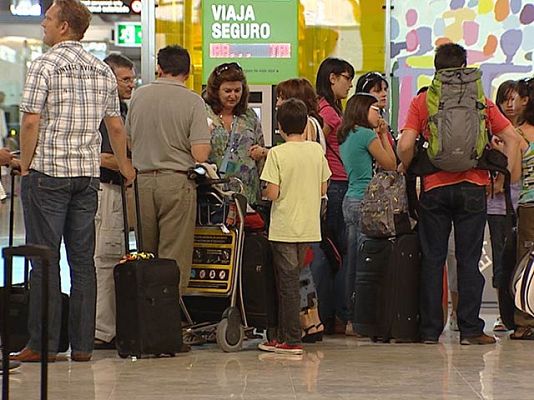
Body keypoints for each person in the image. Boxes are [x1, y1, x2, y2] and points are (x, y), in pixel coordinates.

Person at [10, 0, 135, 363]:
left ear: (64, 26)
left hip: (47, 174)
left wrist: (26, 165)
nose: (43, 26)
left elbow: (31, 122)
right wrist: (125, 166)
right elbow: (115, 125)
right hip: (86, 177)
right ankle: (82, 346)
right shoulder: (101, 70)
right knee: (82, 261)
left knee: (44, 261)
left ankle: (44, 344)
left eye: (48, 19)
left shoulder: (44, 64)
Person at [397, 43, 520, 345]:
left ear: (436, 67)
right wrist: (509, 179)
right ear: (465, 66)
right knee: (468, 259)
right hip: (472, 187)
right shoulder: (480, 99)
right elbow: (512, 139)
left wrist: (408, 165)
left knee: (432, 259)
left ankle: (429, 331)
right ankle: (470, 330)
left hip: (435, 189)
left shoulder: (423, 100)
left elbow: (404, 144)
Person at [126, 45, 211, 296]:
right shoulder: (193, 101)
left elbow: (129, 142)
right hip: (175, 184)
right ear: (188, 71)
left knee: (146, 254)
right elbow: (200, 154)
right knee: (173, 257)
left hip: (142, 183)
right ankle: (168, 319)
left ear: (159, 68)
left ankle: (146, 316)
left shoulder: (139, 96)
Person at [258, 98, 331, 355]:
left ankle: (289, 338)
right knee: (296, 279)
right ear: (305, 123)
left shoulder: (277, 153)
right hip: (309, 227)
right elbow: (323, 188)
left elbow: (273, 193)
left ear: (279, 126)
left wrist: (265, 191)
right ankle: (290, 334)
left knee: (286, 284)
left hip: (284, 227)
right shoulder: (315, 152)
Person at [338, 93, 397, 334]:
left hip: (350, 199)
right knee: (366, 262)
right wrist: (383, 134)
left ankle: (348, 316)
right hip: (367, 202)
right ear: (363, 110)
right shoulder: (366, 134)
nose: (379, 114)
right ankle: (361, 316)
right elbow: (391, 163)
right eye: (376, 110)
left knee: (352, 260)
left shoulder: (347, 135)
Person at [275, 78, 326, 342]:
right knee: (303, 268)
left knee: (296, 273)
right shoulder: (316, 147)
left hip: (292, 215)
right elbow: (322, 181)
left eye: (281, 97)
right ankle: (310, 321)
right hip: (310, 213)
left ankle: (302, 325)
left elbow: (277, 187)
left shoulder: (302, 137)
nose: (278, 102)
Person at [93, 54, 136, 350]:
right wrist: (129, 165)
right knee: (105, 262)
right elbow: (102, 157)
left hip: (111, 193)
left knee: (109, 260)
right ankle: (102, 331)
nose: (131, 85)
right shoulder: (102, 113)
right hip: (105, 192)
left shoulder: (120, 109)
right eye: (126, 79)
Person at [315, 57, 355, 335]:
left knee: (333, 255)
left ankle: (329, 314)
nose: (349, 84)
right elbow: (317, 146)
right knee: (344, 254)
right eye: (346, 77)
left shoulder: (327, 109)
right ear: (332, 78)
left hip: (334, 185)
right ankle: (339, 314)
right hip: (338, 184)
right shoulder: (328, 113)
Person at [204, 62, 266, 206]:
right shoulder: (203, 113)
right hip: (213, 192)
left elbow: (260, 149)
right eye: (228, 91)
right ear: (216, 91)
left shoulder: (250, 116)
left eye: (237, 90)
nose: (233, 95)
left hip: (247, 193)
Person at [510, 77, 534, 340]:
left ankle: (525, 320)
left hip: (529, 205)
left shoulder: (518, 135)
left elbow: (514, 175)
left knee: (527, 263)